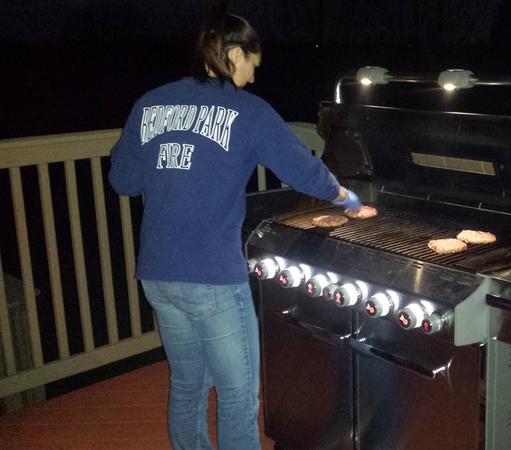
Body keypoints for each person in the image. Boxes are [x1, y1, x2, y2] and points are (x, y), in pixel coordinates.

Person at [108, 10, 361, 450]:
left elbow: (123, 180)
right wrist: (343, 196)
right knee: (238, 394)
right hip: (212, 279)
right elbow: (302, 169)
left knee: (187, 384)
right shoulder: (247, 111)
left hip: (157, 274)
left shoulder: (149, 103)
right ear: (234, 53)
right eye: (252, 66)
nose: (253, 78)